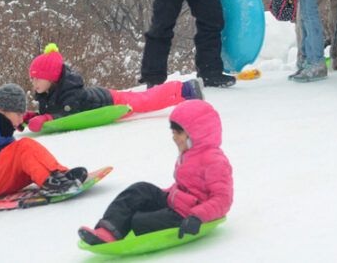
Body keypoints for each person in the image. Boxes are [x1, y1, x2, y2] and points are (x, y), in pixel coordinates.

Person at [77, 100, 232, 245]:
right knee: (141, 189)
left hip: (188, 215)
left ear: (197, 133)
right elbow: (186, 187)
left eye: (178, 132)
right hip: (176, 202)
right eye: (173, 132)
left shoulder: (215, 161)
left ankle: (126, 225)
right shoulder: (189, 154)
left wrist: (197, 217)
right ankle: (106, 231)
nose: (174, 137)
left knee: (139, 221)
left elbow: (223, 199)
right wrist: (156, 196)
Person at [22, 44, 205, 131]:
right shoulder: (47, 92)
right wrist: (33, 116)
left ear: (52, 78)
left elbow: (68, 114)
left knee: (144, 101)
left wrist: (46, 118)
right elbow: (56, 111)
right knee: (140, 98)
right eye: (32, 79)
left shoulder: (69, 92)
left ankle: (187, 89)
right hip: (100, 96)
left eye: (38, 79)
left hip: (109, 100)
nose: (34, 84)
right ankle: (184, 90)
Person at [0, 83, 88, 200]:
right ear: (2, 111)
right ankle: (50, 184)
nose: (20, 121)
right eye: (18, 115)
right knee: (24, 146)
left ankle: (58, 174)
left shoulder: (2, 126)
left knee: (28, 156)